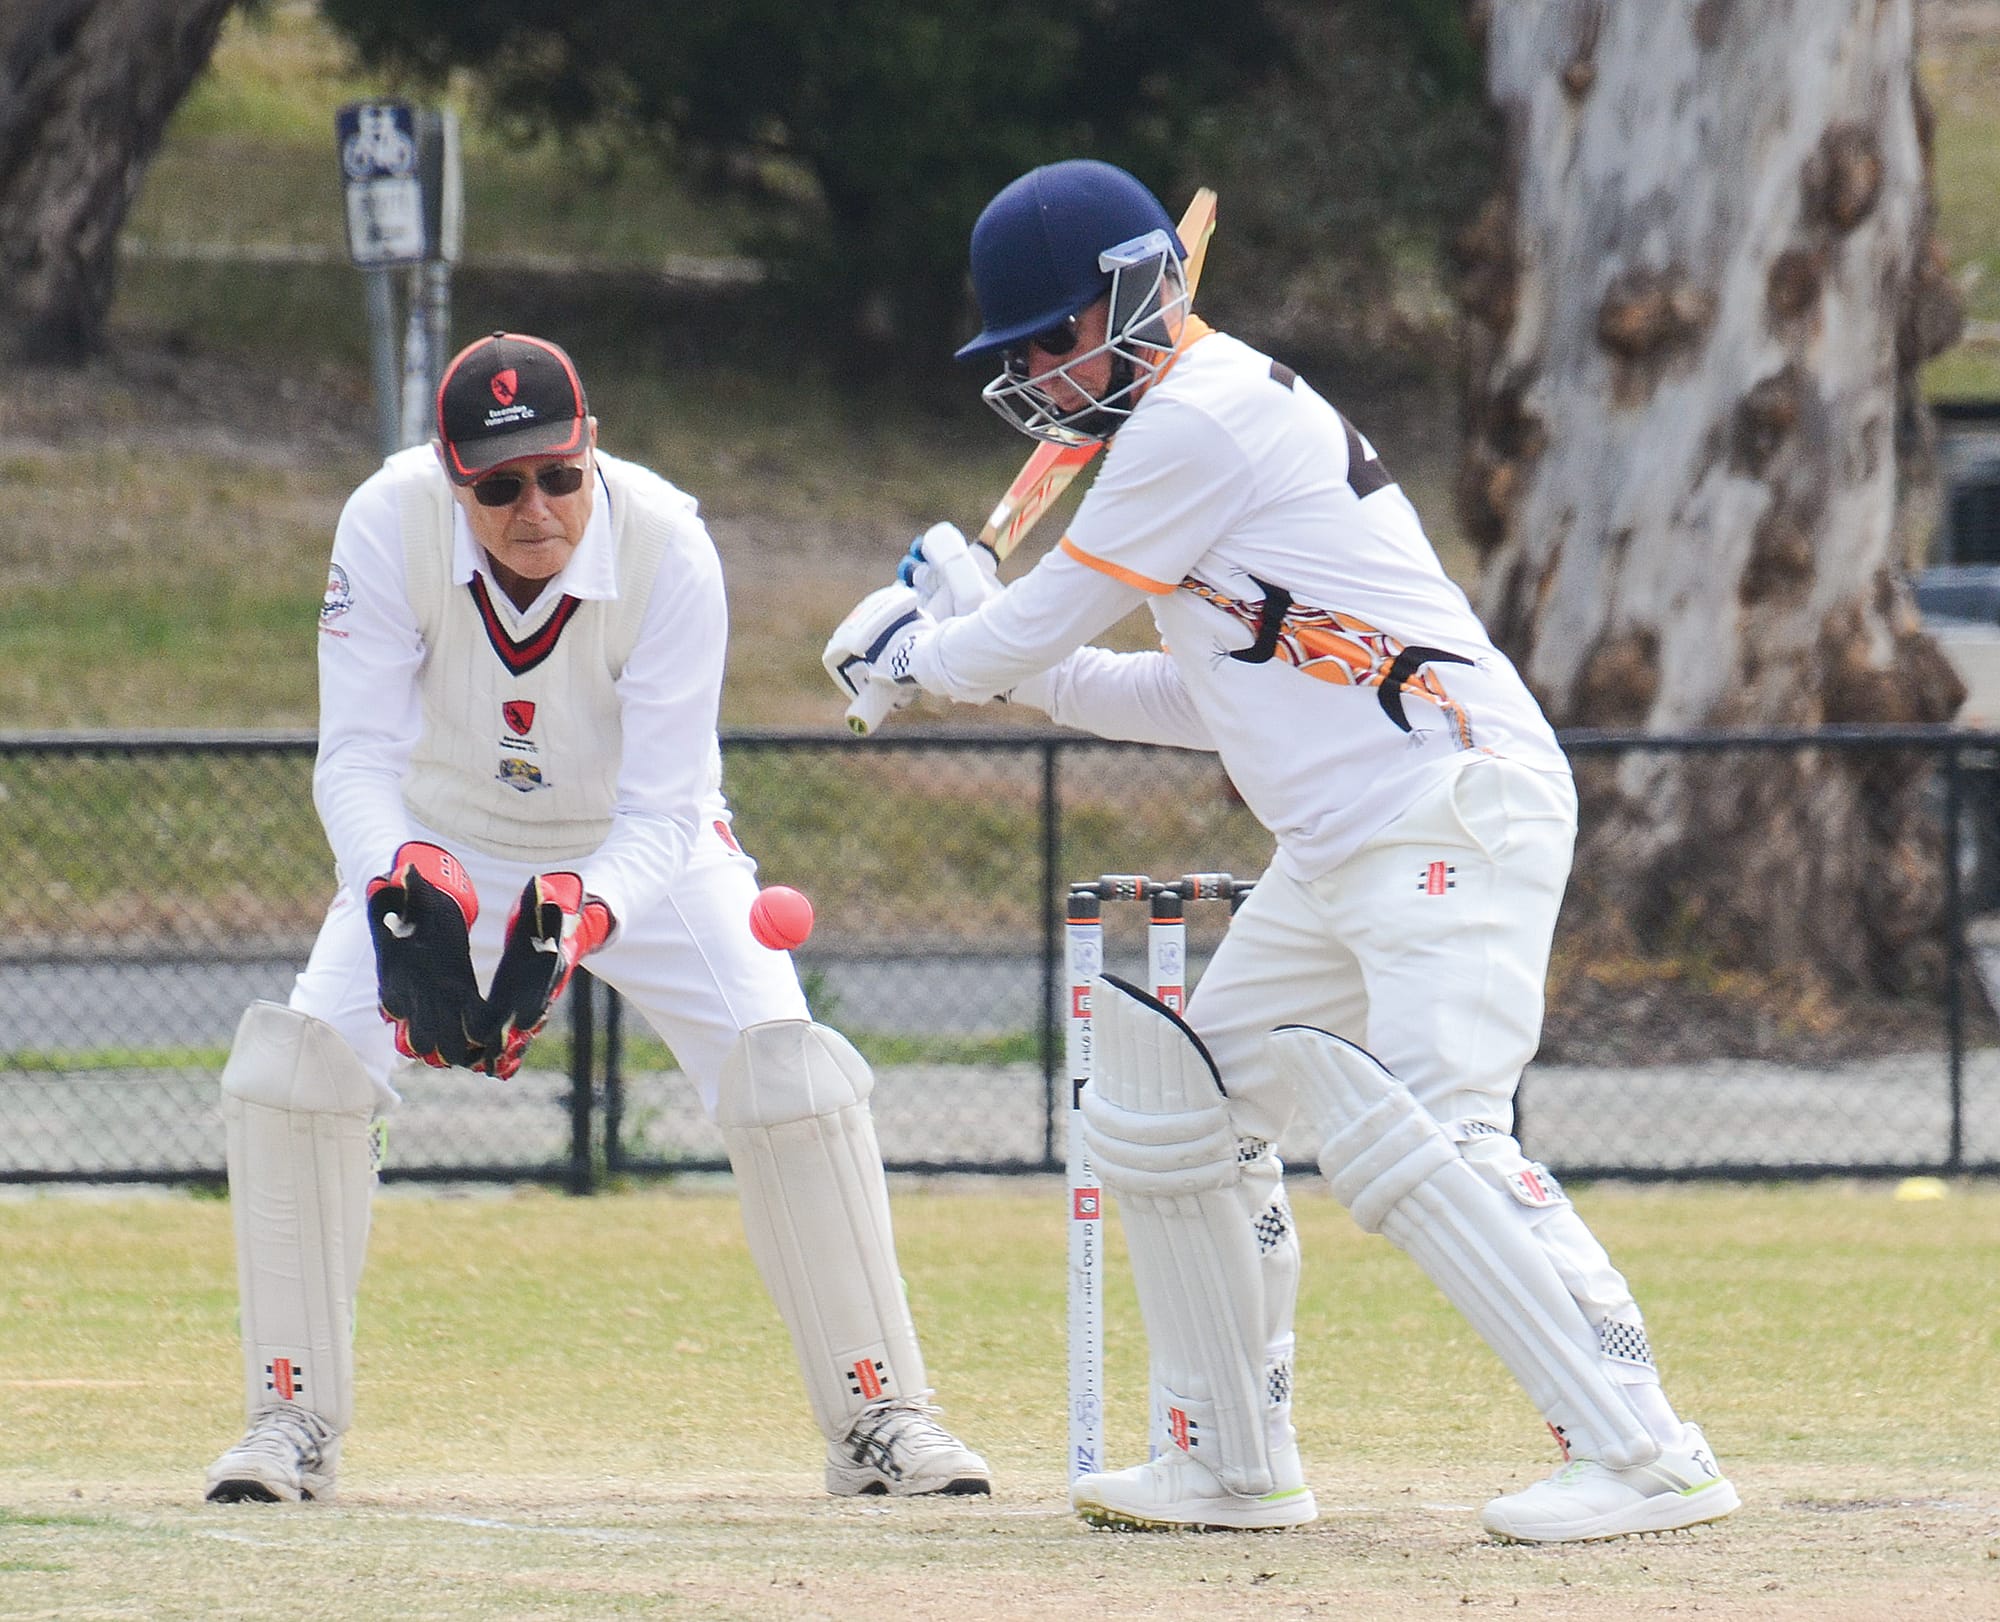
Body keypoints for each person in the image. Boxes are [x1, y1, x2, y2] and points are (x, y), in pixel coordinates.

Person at [822, 160, 1737, 1544]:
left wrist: (938, 650)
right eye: (1017, 354)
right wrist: (982, 658)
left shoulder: (1203, 420)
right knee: (1175, 1114)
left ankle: (1643, 1447)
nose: (1037, 376)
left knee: (1438, 1132)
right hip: (1342, 839)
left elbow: (1035, 626)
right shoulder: (1182, 446)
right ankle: (1230, 1460)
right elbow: (1205, 698)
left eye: (1052, 339)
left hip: (1450, 802)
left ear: (1137, 293)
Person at [205, 331, 989, 1506]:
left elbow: (670, 803)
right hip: (442, 840)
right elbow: (355, 755)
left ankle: (879, 1412)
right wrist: (403, 883)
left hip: (647, 856)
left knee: (793, 1075)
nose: (533, 509)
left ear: (591, 453)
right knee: (291, 1066)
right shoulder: (385, 519)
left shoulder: (671, 542)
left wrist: (579, 916)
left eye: (557, 475)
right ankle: (289, 1416)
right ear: (449, 472)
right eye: (498, 485)